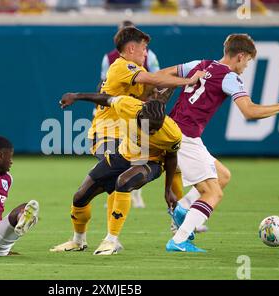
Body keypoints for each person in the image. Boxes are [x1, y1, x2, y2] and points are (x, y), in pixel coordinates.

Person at [164, 33, 279, 252]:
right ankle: (179, 240)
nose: (246, 66)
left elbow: (166, 73)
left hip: (175, 130)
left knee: (223, 176)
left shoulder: (202, 64)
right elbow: (249, 111)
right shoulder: (229, 77)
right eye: (247, 61)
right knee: (213, 193)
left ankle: (182, 211)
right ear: (240, 56)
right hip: (184, 137)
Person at [86, 26, 205, 251]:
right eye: (144, 48)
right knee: (117, 178)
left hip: (128, 129)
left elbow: (148, 90)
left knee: (171, 163)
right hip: (108, 130)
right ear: (131, 48)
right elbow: (153, 80)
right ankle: (110, 237)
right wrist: (189, 80)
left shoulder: (136, 70)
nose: (146, 53)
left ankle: (177, 220)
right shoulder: (122, 66)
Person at [51, 93, 182, 255]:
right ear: (140, 114)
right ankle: (78, 241)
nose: (153, 131)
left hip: (151, 162)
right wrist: (76, 96)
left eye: (157, 128)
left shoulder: (172, 133)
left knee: (123, 181)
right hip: (122, 155)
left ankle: (111, 240)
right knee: (80, 196)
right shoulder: (127, 105)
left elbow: (171, 158)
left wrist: (167, 188)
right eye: (149, 127)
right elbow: (105, 99)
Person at [100, 20, 161, 209]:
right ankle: (114, 191)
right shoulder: (110, 59)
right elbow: (104, 82)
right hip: (117, 111)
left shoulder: (148, 55)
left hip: (138, 110)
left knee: (138, 155)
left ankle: (136, 193)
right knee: (115, 156)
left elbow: (156, 77)